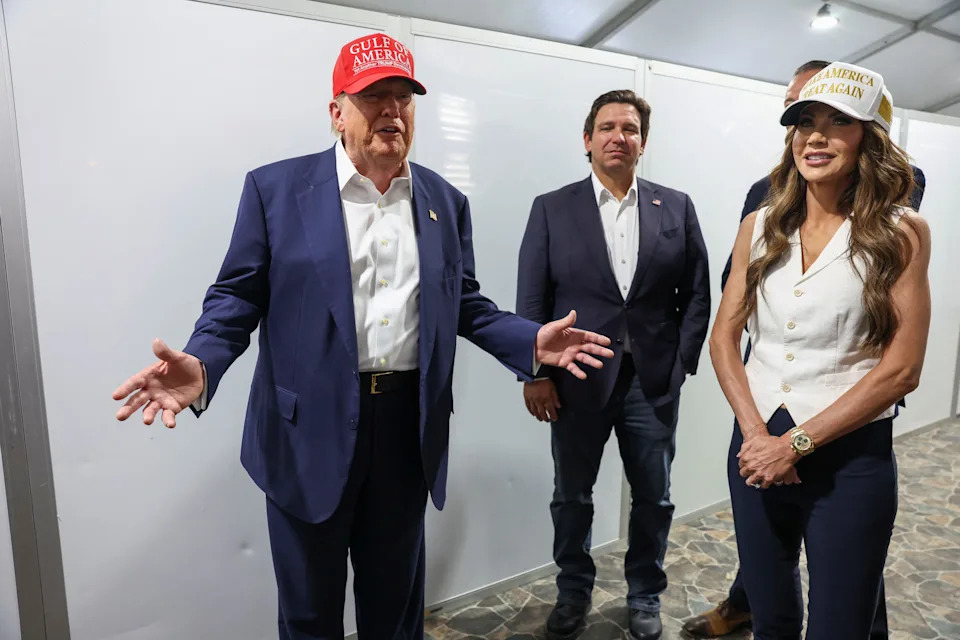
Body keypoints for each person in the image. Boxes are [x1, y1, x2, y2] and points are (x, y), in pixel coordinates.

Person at [111, 32, 615, 640]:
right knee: (308, 614)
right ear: (336, 112)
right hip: (306, 434)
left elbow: (467, 304)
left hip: (406, 432)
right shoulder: (276, 192)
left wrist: (528, 341)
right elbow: (238, 295)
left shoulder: (444, 201)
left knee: (394, 608)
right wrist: (204, 361)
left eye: (403, 97)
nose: (391, 111)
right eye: (373, 96)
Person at [684, 59, 928, 639]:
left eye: (837, 122)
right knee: (770, 621)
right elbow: (724, 336)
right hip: (755, 451)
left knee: (839, 627)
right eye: (803, 122)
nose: (814, 136)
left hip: (851, 463)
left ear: (871, 138)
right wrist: (755, 435)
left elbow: (902, 371)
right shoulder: (760, 223)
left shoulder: (902, 232)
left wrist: (793, 444)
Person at [516, 89, 710, 640]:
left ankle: (644, 593)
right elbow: (531, 299)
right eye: (606, 128)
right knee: (572, 496)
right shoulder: (552, 208)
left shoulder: (675, 205)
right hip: (575, 382)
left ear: (642, 142)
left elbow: (697, 292)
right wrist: (534, 373)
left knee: (655, 496)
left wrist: (683, 364)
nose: (617, 137)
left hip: (651, 383)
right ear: (587, 140)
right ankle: (573, 590)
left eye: (629, 128)